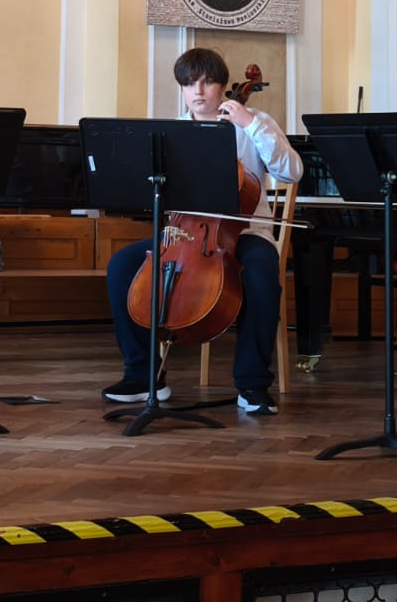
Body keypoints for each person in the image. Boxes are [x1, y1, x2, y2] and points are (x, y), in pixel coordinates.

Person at [102, 48, 302, 415]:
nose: (198, 90)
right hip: (183, 235)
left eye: (207, 82)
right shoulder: (173, 131)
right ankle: (143, 376)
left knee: (261, 275)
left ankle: (252, 384)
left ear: (222, 87)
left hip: (248, 232)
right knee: (122, 266)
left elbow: (292, 171)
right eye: (189, 83)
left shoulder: (255, 122)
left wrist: (249, 124)